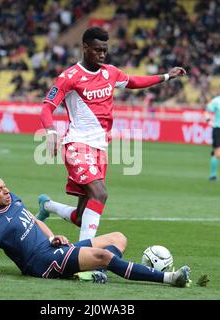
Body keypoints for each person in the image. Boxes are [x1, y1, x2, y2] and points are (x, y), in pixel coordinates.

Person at [38, 26, 187, 241]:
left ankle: (47, 205)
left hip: (100, 148)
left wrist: (166, 76)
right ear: (85, 47)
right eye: (97, 49)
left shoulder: (110, 72)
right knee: (100, 193)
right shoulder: (69, 77)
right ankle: (82, 260)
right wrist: (51, 131)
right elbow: (46, 107)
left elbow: (134, 82)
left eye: (105, 51)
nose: (101, 54)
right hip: (77, 145)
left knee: (81, 217)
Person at [0, 174, 191, 287]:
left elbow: (33, 220)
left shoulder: (12, 200)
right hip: (41, 263)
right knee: (104, 255)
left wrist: (52, 237)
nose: (6, 191)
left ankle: (92, 273)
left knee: (118, 238)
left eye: (5, 186)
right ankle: (170, 278)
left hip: (51, 248)